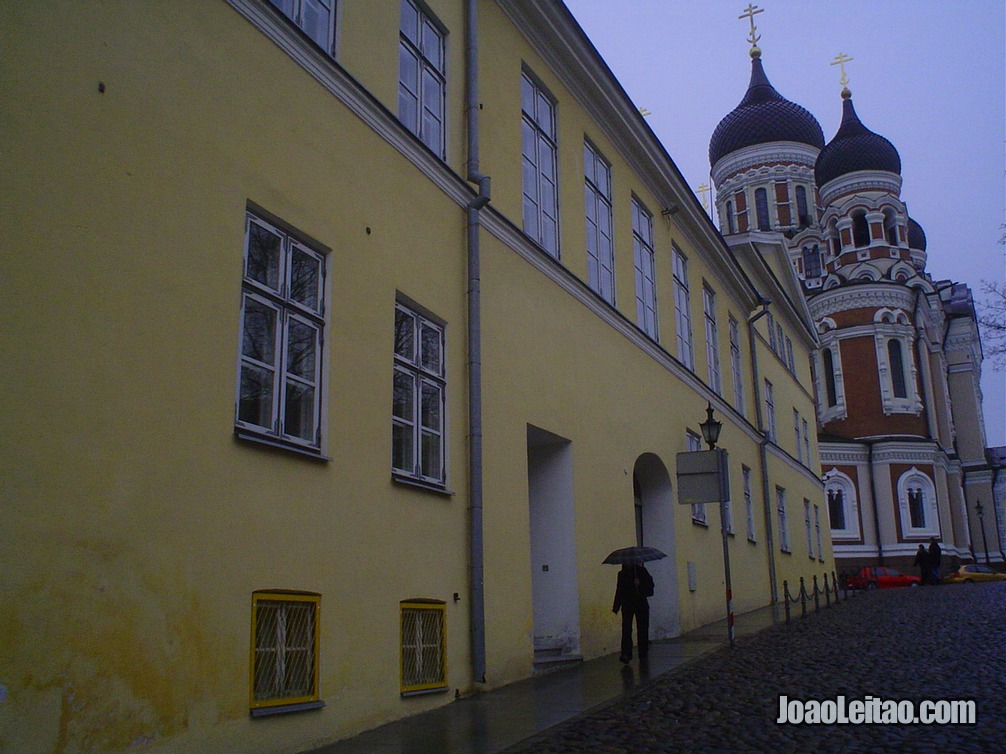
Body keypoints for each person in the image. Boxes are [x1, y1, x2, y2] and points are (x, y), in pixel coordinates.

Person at [612, 562, 654, 663]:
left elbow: (650, 589)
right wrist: (616, 606)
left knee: (642, 629)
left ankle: (643, 653)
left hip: (641, 604)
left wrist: (640, 584)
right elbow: (619, 590)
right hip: (627, 604)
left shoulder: (642, 572)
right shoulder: (621, 574)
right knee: (626, 629)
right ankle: (626, 654)